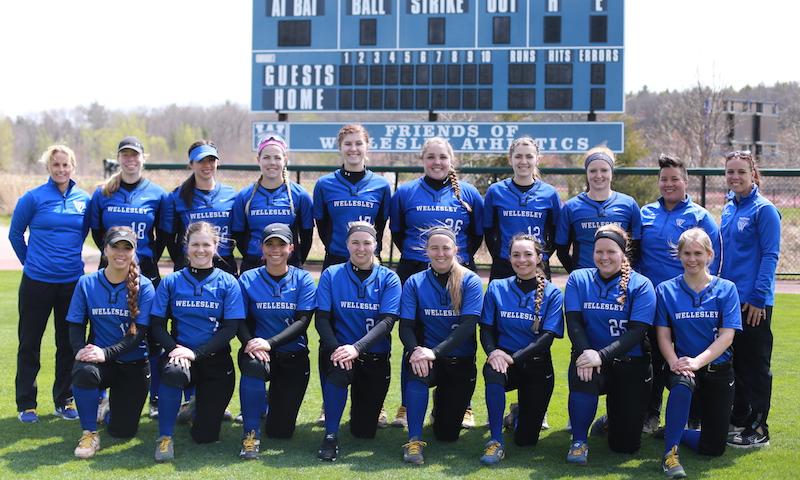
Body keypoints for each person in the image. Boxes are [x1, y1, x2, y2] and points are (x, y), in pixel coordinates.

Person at [389, 136, 484, 428]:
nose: (437, 162)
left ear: (451, 160)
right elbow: (397, 231)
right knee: (413, 336)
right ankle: (408, 403)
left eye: (442, 157)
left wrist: (455, 262)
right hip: (415, 271)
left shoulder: (468, 193)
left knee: (461, 332)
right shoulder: (405, 192)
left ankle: (464, 405)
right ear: (422, 160)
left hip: (457, 272)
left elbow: (477, 234)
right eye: (431, 156)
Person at [149, 221, 245, 462]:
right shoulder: (171, 282)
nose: (200, 250)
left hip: (215, 360)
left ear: (216, 247)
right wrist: (174, 349)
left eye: (206, 245)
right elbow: (157, 325)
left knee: (205, 436)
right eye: (195, 245)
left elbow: (230, 328)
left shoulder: (228, 282)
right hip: (179, 356)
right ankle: (165, 438)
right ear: (186, 247)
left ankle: (194, 407)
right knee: (172, 373)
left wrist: (197, 353)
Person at [639, 153, 721, 433]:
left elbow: (715, 260)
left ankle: (692, 419)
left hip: (687, 302)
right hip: (651, 302)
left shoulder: (700, 216)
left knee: (688, 358)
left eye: (675, 179)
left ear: (686, 182)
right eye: (664, 179)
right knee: (654, 359)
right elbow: (635, 256)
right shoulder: (645, 213)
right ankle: (650, 415)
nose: (669, 183)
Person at [87, 136, 169, 418]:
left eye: (135, 155)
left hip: (144, 270)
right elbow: (97, 231)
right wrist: (115, 257)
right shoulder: (103, 192)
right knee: (103, 327)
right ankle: (100, 395)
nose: (130, 159)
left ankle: (155, 398)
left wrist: (144, 258)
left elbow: (165, 235)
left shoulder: (158, 194)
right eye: (125, 155)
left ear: (143, 158)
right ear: (118, 158)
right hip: (111, 269)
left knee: (151, 333)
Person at [9, 144, 90, 423]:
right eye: (56, 165)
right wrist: (31, 263)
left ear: (73, 167)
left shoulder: (84, 200)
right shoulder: (32, 198)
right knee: (29, 343)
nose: (61, 169)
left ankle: (64, 400)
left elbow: (86, 234)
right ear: (48, 167)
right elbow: (15, 235)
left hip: (71, 283)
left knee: (67, 343)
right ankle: (26, 404)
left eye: (65, 165)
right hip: (36, 283)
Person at [564, 224, 655, 465]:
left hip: (630, 363)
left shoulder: (641, 284)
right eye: (599, 251)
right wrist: (586, 353)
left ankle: (610, 420)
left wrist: (600, 356)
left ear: (623, 253)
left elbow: (637, 332)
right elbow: (573, 323)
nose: (604, 257)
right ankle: (579, 441)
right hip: (590, 359)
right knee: (584, 374)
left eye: (611, 251)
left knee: (625, 447)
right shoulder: (578, 279)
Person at [655, 228, 741, 478]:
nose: (692, 259)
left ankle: (674, 431)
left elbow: (727, 336)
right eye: (687, 253)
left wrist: (698, 362)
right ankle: (670, 455)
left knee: (714, 448)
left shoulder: (727, 289)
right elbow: (663, 336)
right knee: (682, 383)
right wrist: (675, 363)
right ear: (679, 256)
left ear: (709, 255)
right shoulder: (666, 290)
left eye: (698, 253)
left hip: (717, 369)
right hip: (681, 367)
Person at [314, 222, 401, 462]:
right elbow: (322, 319)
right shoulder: (332, 274)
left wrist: (357, 348)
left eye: (366, 243)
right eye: (355, 242)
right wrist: (338, 349)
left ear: (376, 245)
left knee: (364, 432)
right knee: (340, 370)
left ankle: (360, 411)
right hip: (338, 353)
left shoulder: (389, 278)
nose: (360, 248)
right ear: (346, 245)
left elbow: (387, 322)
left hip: (373, 356)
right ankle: (330, 434)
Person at [67, 227, 155, 458]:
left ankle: (108, 409)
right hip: (100, 364)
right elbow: (76, 324)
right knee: (84, 371)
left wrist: (105, 353)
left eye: (127, 247)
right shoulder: (86, 283)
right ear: (104, 248)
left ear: (134, 252)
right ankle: (89, 433)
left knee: (122, 432)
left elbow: (138, 335)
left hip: (133, 364)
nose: (121, 252)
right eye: (115, 246)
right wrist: (80, 351)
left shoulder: (144, 286)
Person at [398, 227, 484, 465]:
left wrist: (434, 352)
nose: (440, 253)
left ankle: (441, 410)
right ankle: (413, 440)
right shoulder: (414, 282)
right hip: (425, 359)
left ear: (455, 249)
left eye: (446, 248)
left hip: (459, 361)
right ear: (426, 251)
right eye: (434, 248)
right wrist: (416, 350)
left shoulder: (471, 280)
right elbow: (405, 326)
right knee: (416, 369)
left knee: (447, 435)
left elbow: (468, 327)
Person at [479, 233, 564, 465]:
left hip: (535, 365)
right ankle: (495, 440)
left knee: (526, 440)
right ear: (509, 258)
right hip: (502, 361)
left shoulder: (552, 292)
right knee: (493, 373)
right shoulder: (497, 287)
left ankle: (517, 415)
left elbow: (546, 339)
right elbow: (486, 329)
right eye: (516, 255)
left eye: (528, 254)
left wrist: (512, 359)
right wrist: (493, 353)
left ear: (539, 257)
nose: (522, 259)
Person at [236, 223, 317, 459]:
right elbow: (239, 320)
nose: (275, 250)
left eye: (281, 244)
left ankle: (268, 407)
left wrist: (269, 343)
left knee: (280, 432)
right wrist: (251, 343)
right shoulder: (248, 278)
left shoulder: (302, 279)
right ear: (262, 248)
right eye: (270, 244)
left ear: (290, 248)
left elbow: (302, 322)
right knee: (252, 366)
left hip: (293, 355)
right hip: (258, 352)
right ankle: (250, 434)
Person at [720, 150, 781, 448]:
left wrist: (758, 297)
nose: (735, 177)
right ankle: (741, 419)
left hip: (753, 302)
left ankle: (758, 429)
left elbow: (770, 255)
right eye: (730, 171)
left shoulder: (764, 210)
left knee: (755, 365)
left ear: (753, 174)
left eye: (741, 172)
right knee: (736, 362)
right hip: (729, 299)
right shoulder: (729, 207)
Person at [313, 124, 391, 270]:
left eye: (359, 143)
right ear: (340, 147)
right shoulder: (324, 184)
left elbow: (380, 224)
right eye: (348, 144)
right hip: (336, 259)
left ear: (367, 146)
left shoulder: (381, 185)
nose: (353, 148)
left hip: (369, 259)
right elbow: (322, 225)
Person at [232, 133, 313, 273]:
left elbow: (306, 236)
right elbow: (238, 235)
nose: (272, 162)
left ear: (285, 160)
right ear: (258, 160)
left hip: (289, 266)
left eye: (277, 157)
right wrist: (255, 257)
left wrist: (292, 259)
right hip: (254, 266)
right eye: (266, 157)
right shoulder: (244, 196)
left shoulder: (300, 195)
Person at [483, 136, 561, 281]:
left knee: (539, 303)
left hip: (537, 265)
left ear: (537, 159)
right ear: (510, 159)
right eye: (518, 156)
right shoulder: (495, 191)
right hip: (504, 265)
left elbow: (556, 233)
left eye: (529, 156)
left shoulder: (550, 194)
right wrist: (501, 255)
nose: (523, 161)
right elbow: (488, 231)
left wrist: (540, 256)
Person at [556, 146, 641, 272]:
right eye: (593, 171)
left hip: (619, 280)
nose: (599, 175)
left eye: (604, 170)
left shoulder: (628, 204)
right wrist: (578, 275)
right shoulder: (571, 207)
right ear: (586, 173)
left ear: (612, 173)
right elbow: (562, 251)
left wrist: (622, 273)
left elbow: (636, 248)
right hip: (585, 281)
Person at [164, 140, 238, 276]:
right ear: (191, 164)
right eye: (201, 161)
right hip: (190, 264)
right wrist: (183, 259)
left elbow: (239, 233)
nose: (207, 165)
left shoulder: (231, 195)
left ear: (218, 163)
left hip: (224, 264)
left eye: (211, 160)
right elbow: (169, 238)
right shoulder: (176, 197)